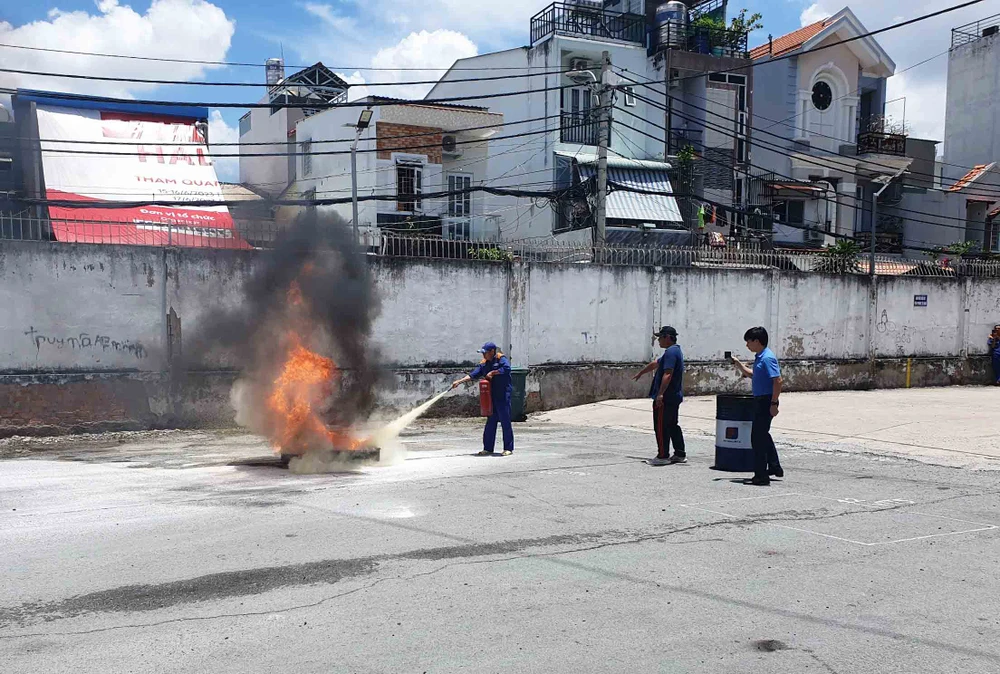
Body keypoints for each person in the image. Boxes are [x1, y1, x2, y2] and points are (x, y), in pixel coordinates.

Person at [730, 326, 783, 486]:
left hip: (766, 400)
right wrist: (739, 364)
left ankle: (761, 475)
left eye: (749, 342)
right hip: (760, 400)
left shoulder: (767, 358)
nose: (747, 345)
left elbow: (778, 381)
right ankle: (774, 466)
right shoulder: (760, 357)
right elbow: (754, 375)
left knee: (757, 439)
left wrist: (774, 403)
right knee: (763, 434)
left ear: (757, 341)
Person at [633, 326, 685, 466]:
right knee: (672, 425)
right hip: (674, 396)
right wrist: (641, 373)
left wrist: (660, 394)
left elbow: (668, 374)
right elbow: (656, 363)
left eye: (660, 337)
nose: (658, 341)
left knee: (661, 426)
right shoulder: (674, 351)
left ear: (668, 337)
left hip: (666, 398)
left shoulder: (671, 353)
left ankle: (662, 456)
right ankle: (680, 453)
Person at [451, 342, 514, 456]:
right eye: (483, 353)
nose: (483, 356)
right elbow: (473, 374)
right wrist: (459, 382)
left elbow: (507, 369)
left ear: (492, 352)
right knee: (491, 421)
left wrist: (493, 372)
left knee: (505, 421)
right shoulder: (484, 364)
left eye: (485, 353)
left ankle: (508, 448)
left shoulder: (501, 359)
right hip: (491, 396)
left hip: (503, 395)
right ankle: (488, 448)